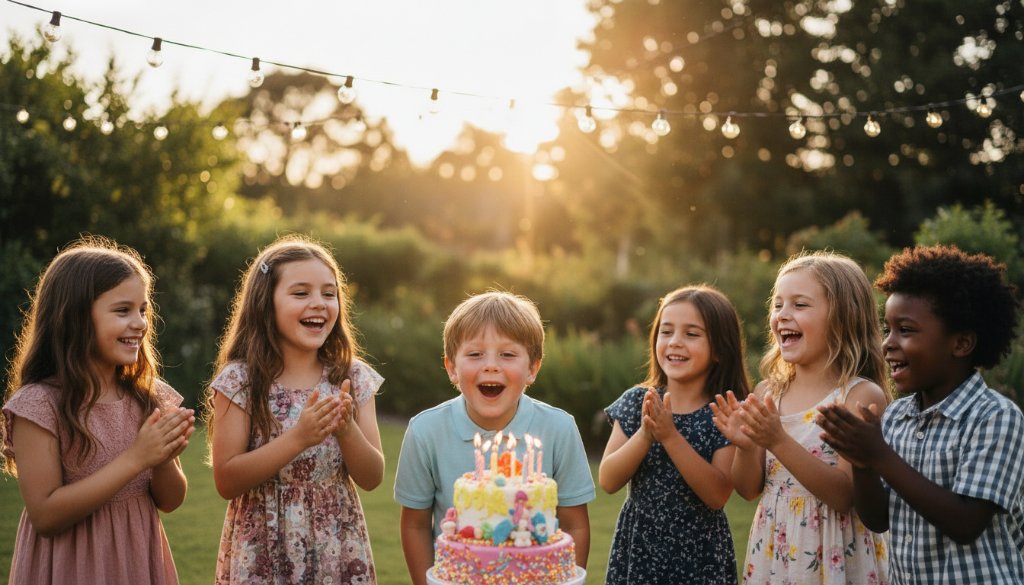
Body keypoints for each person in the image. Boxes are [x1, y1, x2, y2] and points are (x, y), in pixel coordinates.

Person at [817, 245, 1024, 584]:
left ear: (961, 344)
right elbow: (877, 518)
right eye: (887, 329)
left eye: (906, 330)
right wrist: (861, 462)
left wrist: (879, 455)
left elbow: (966, 523)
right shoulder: (897, 416)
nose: (888, 343)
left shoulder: (996, 417)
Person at [0, 236, 194, 585]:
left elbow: (171, 500)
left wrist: (162, 456)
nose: (139, 323)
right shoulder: (39, 405)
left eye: (143, 310)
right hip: (70, 567)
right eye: (123, 311)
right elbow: (45, 515)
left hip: (136, 562)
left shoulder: (146, 398)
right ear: (73, 318)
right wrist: (137, 458)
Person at [206, 235, 385, 584]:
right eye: (301, 293)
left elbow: (372, 477)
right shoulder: (241, 381)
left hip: (337, 544)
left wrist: (347, 429)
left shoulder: (352, 377)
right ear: (265, 303)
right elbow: (226, 480)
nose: (318, 303)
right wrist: (299, 438)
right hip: (264, 548)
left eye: (329, 293)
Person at [711, 251, 890, 584]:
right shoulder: (769, 392)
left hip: (834, 551)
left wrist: (777, 440)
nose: (783, 315)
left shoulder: (858, 397)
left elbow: (844, 496)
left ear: (843, 317)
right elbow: (749, 490)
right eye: (778, 305)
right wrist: (747, 446)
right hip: (775, 553)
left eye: (800, 305)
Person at [394, 291, 595, 585]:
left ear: (533, 368)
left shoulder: (559, 428)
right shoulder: (425, 431)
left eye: (508, 354)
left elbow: (575, 525)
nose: (491, 365)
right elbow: (414, 525)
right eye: (475, 354)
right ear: (451, 367)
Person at [599, 285, 751, 584]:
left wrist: (670, 436)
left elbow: (717, 495)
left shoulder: (725, 411)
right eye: (666, 332)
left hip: (699, 555)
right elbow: (608, 479)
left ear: (720, 348)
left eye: (691, 334)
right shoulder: (636, 402)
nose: (675, 343)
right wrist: (645, 434)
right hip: (639, 547)